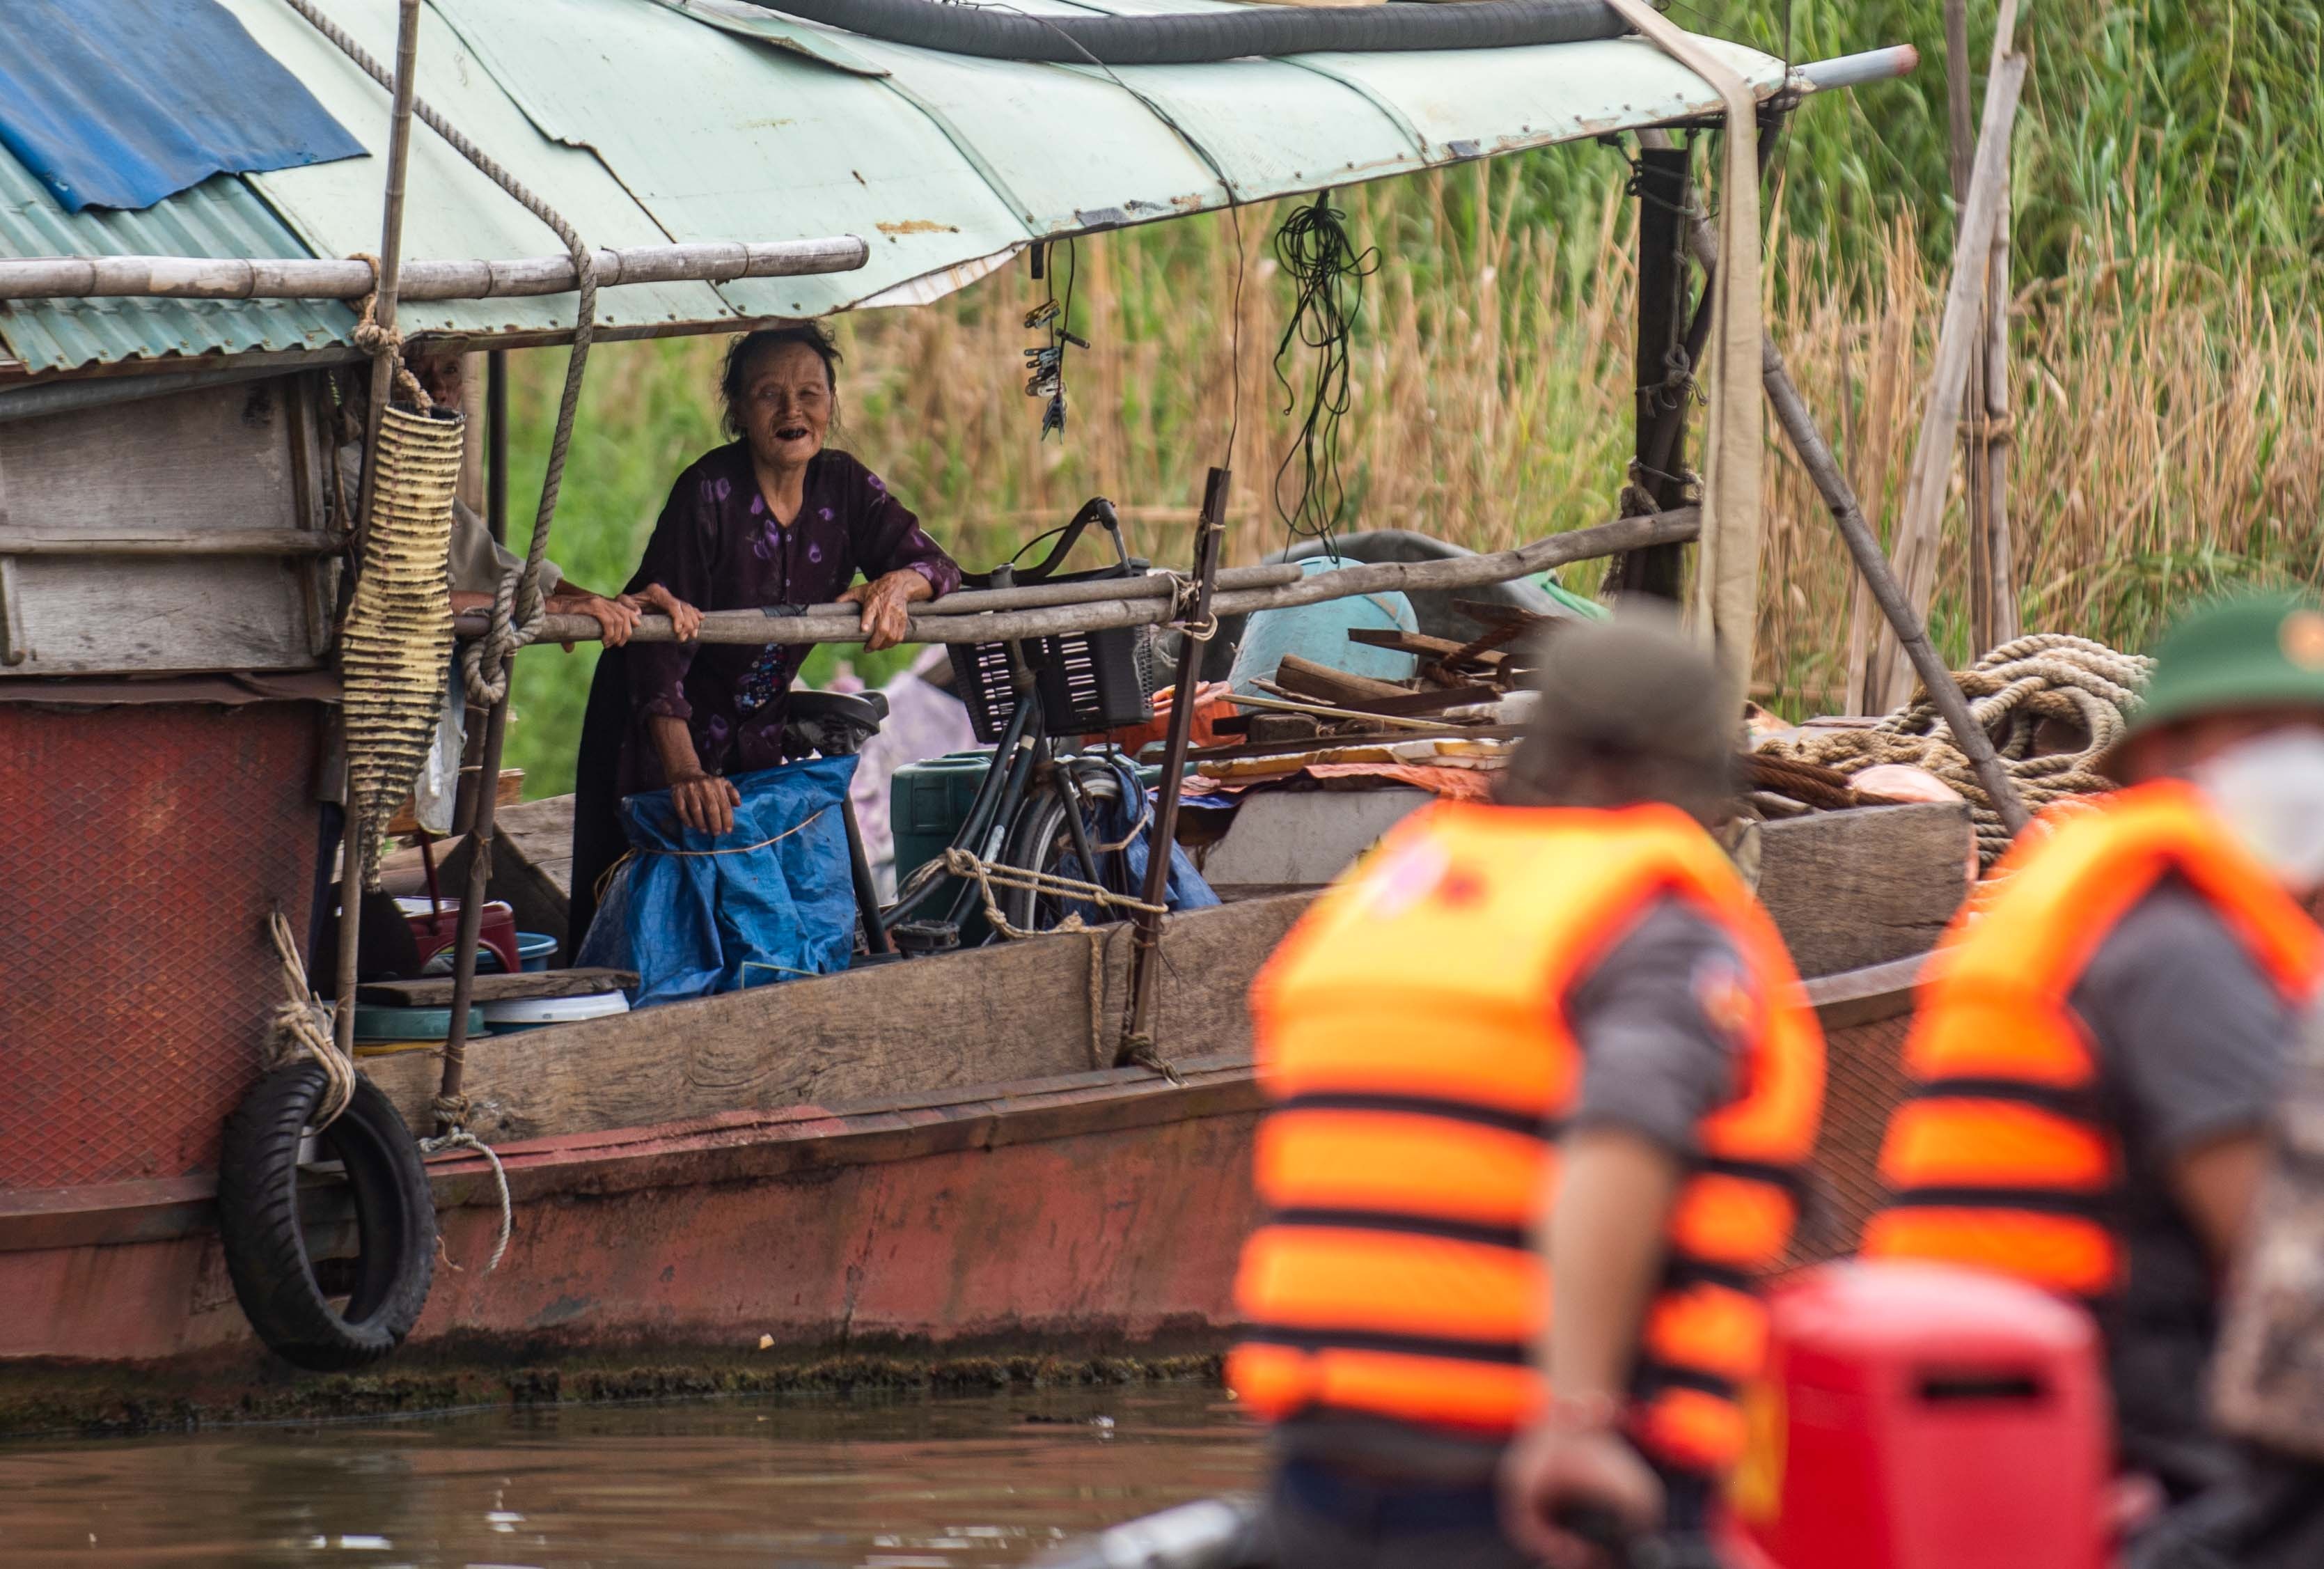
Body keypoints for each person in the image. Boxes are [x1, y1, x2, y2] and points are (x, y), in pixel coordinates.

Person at [1225, 607, 1826, 1569]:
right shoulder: (1653, 925)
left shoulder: (1398, 893)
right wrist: (1575, 1421)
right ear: (1688, 773)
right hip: (1523, 1482)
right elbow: (1618, 1145)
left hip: (1322, 1462)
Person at [1861, 592, 2324, 1550]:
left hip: (2026, 1415)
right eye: (2267, 734)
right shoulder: (2172, 945)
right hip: (2123, 1441)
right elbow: (2277, 1250)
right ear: (2168, 758)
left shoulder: (2150, 907)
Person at [567, 323, 961, 950]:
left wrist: (896, 585)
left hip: (752, 731)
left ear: (831, 403)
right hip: (654, 731)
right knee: (639, 907)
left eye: (810, 393)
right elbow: (655, 638)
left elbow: (937, 565)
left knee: (745, 910)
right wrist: (685, 772)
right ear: (738, 410)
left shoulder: (845, 487)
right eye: (768, 394)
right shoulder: (709, 493)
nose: (792, 410)